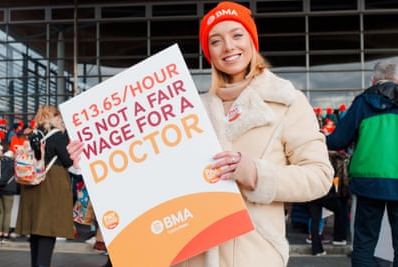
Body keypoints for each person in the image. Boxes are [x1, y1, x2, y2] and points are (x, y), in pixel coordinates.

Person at [67, 2, 334, 266]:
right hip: (189, 254)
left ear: (252, 41)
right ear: (209, 53)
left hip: (253, 254)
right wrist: (93, 159)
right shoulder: (191, 110)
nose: (229, 46)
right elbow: (151, 176)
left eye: (237, 35)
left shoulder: (286, 102)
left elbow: (320, 176)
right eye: (216, 41)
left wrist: (254, 172)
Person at [326, 60, 398, 267]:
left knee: (364, 243)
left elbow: (339, 141)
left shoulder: (363, 102)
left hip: (368, 180)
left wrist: (318, 139)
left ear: (373, 79)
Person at [16, 106, 75, 267]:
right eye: (58, 117)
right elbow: (68, 160)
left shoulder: (35, 134)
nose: (60, 120)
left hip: (32, 182)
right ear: (54, 117)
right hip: (51, 184)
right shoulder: (57, 135)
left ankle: (36, 264)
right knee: (48, 228)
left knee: (36, 229)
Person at [0, 149, 19, 244]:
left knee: (1, 212)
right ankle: (5, 234)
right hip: (9, 189)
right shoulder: (13, 163)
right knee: (8, 212)